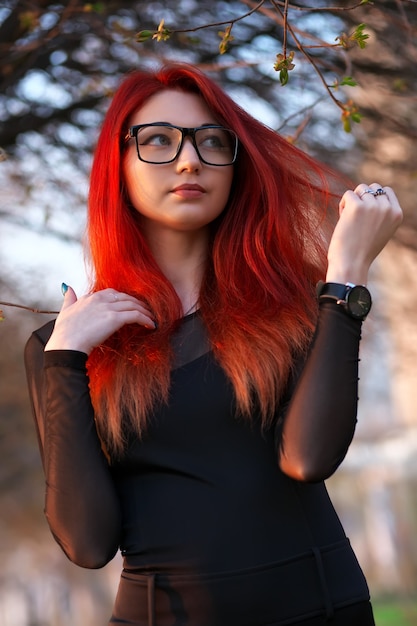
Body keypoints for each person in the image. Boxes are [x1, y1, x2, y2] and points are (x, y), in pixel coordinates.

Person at [24, 63, 402, 626]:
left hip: (321, 609)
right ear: (116, 167)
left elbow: (307, 457)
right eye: (156, 140)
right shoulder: (65, 346)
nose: (188, 159)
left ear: (234, 163)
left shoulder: (298, 302)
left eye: (211, 141)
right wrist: (64, 362)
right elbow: (87, 542)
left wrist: (345, 277)